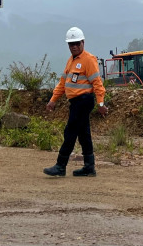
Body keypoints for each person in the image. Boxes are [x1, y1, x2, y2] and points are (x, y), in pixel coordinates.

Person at [43, 26, 108, 177]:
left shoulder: (89, 60)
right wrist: (53, 100)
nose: (74, 46)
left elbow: (97, 83)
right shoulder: (70, 62)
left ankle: (60, 165)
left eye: (77, 43)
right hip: (75, 102)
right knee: (84, 134)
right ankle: (89, 167)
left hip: (84, 101)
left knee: (70, 132)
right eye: (71, 44)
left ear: (83, 42)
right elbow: (63, 83)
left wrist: (101, 104)